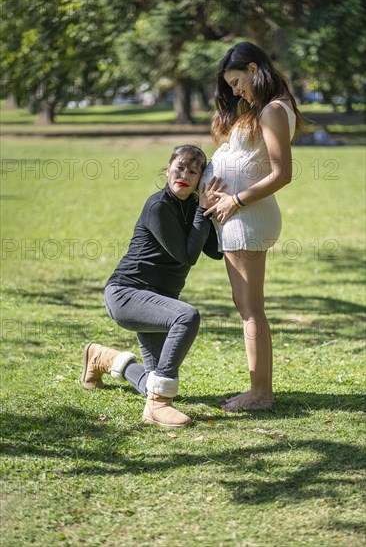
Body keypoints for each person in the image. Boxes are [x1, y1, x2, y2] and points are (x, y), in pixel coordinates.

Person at [81, 145, 223, 428]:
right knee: (187, 316)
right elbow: (187, 255)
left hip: (157, 300)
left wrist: (219, 207)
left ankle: (105, 358)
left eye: (193, 172)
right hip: (127, 294)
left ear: (201, 180)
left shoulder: (194, 207)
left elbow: (216, 251)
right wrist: (203, 210)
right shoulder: (158, 206)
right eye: (179, 167)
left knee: (155, 380)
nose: (184, 175)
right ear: (167, 169)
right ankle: (157, 407)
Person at [201, 42, 305, 411]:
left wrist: (235, 199)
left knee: (251, 308)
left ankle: (260, 393)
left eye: (236, 81)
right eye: (229, 86)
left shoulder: (274, 110)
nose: (234, 90)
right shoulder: (261, 109)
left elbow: (283, 173)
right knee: (245, 304)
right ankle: (257, 389)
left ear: (252, 68)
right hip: (237, 218)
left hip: (247, 218)